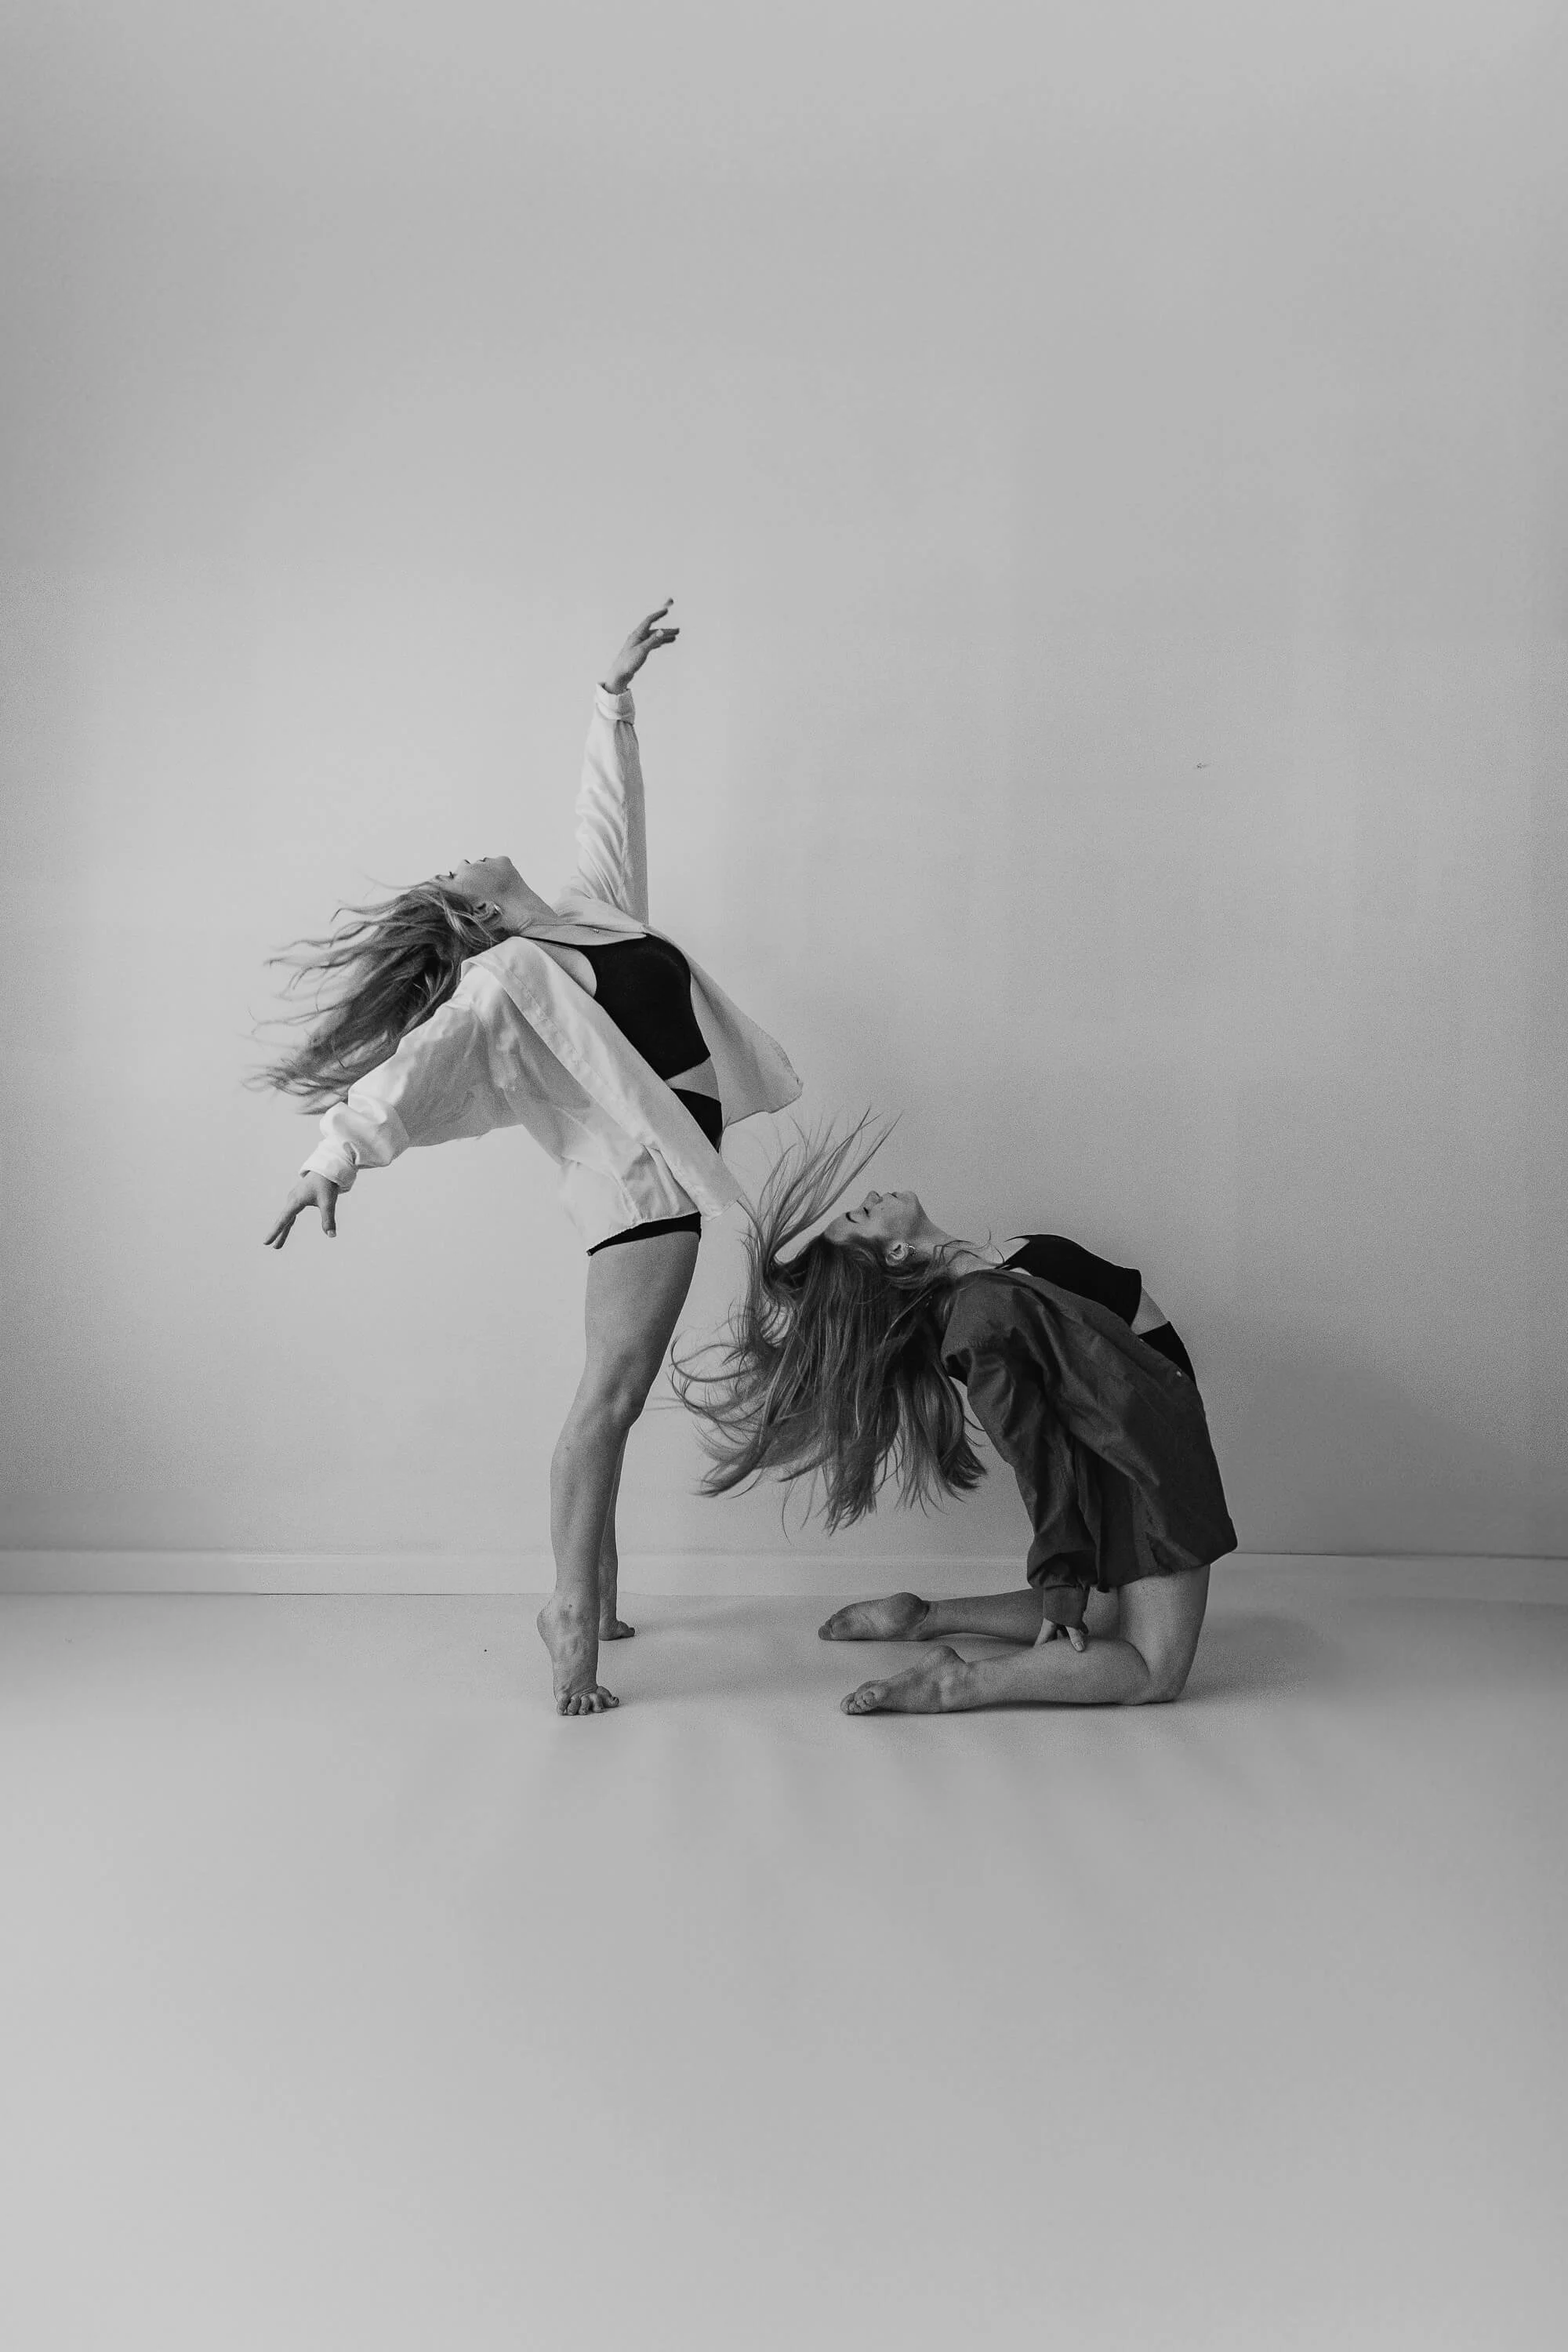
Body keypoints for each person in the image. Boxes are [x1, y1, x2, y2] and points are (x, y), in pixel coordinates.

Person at [260, 603, 801, 1715]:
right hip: (639, 1194)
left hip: (670, 1184)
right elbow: (417, 1064)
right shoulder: (508, 981)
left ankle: (594, 1594)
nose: (472, 851)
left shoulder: (594, 919)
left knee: (612, 1399)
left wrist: (614, 697)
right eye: (459, 866)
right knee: (605, 1403)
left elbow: (609, 813)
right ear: (470, 914)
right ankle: (569, 1616)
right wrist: (337, 1155)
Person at [673, 1127, 1236, 1715]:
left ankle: (924, 1617)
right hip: (1146, 1455)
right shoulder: (979, 1321)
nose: (868, 1198)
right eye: (862, 1216)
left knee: (1104, 1609)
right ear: (894, 1254)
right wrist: (1064, 1573)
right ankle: (956, 1683)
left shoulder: (997, 1268)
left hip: (1136, 1438)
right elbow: (1037, 1454)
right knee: (1153, 1669)